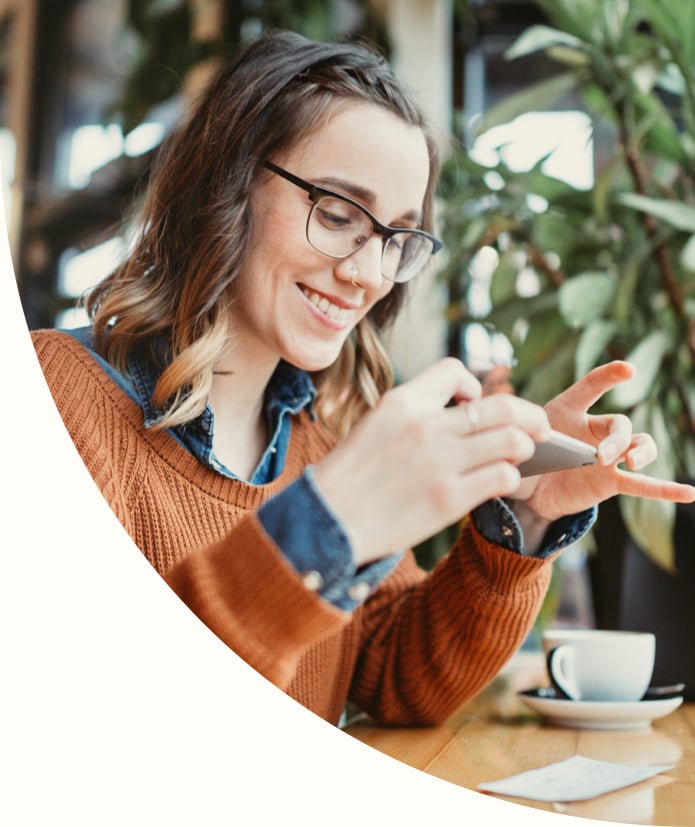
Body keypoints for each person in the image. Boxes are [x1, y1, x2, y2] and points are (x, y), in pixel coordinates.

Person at [32, 30, 695, 727]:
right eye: (338, 213)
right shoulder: (58, 396)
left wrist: (523, 519)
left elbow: (395, 675)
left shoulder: (322, 434)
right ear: (223, 185)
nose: (368, 273)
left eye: (395, 237)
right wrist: (330, 521)